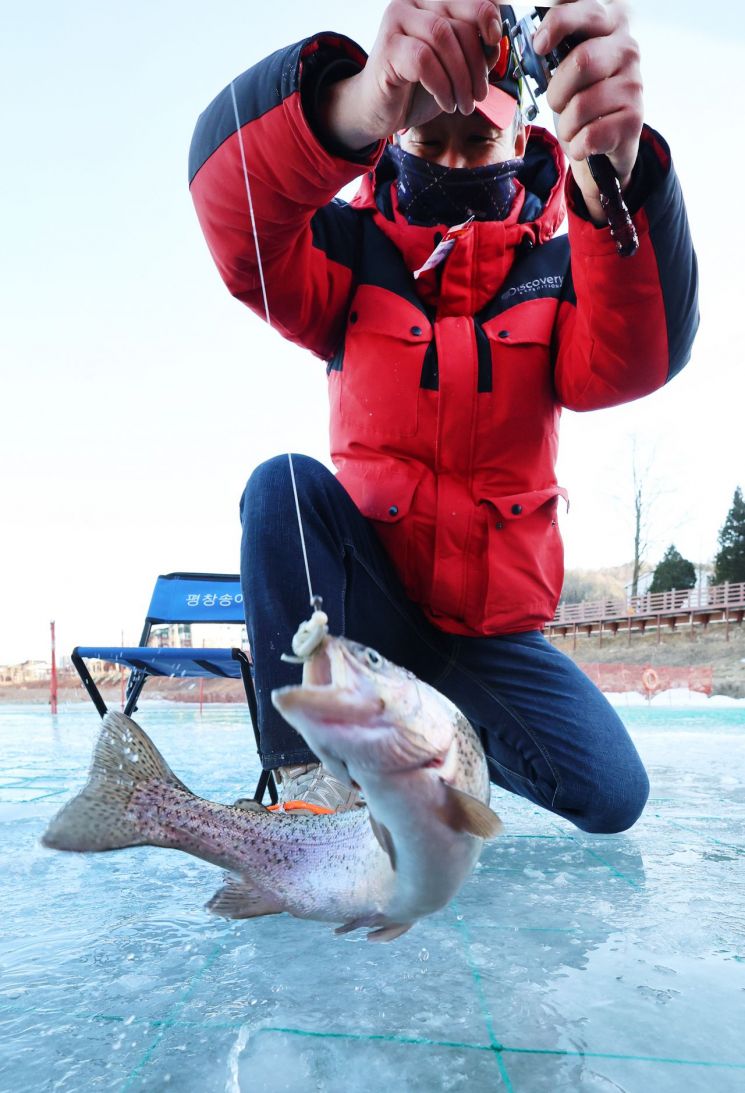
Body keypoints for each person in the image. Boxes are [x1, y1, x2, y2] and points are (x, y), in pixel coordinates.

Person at [189, 1, 698, 829]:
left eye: (478, 142)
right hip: (370, 614)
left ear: (519, 139)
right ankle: (308, 784)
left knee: (613, 794)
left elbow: (641, 352)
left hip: (486, 638)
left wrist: (615, 173)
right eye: (429, 142)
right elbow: (233, 217)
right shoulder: (345, 250)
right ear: (396, 142)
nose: (454, 162)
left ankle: (433, 748)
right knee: (279, 486)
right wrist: (359, 99)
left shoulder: (566, 268)